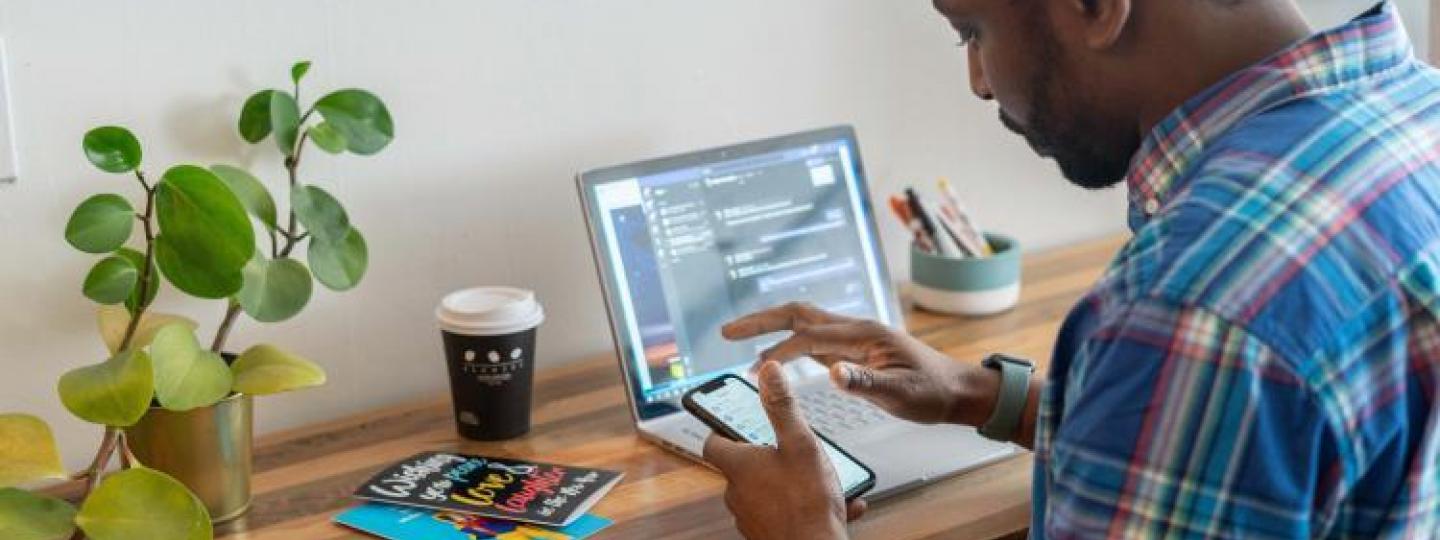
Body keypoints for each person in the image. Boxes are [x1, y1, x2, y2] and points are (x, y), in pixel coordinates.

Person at [703, 0, 1440, 538]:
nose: (980, 84)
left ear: (1095, 7)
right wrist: (982, 396)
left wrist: (803, 531)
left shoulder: (1191, 310)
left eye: (972, 32)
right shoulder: (1418, 114)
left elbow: (1210, 361)